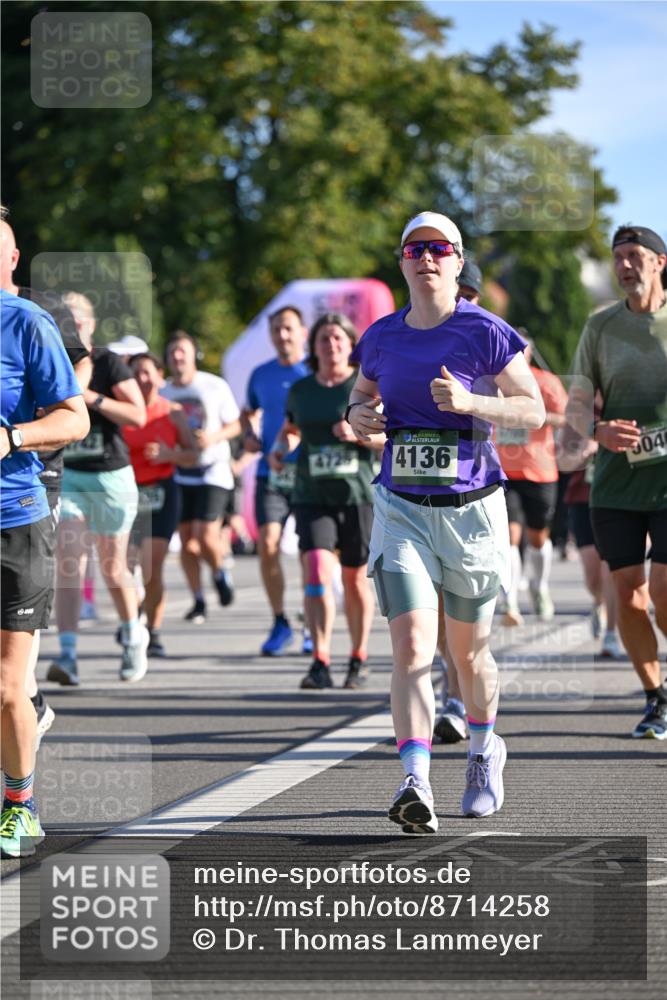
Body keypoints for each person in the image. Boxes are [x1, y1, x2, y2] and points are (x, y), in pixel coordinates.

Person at [347, 211, 544, 833]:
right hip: (401, 508)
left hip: (472, 511)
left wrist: (470, 403)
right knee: (409, 648)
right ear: (402, 261)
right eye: (414, 248)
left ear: (457, 262)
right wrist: (361, 417)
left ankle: (485, 750)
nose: (426, 258)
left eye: (439, 249)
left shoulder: (484, 331)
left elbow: (533, 409)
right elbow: (360, 395)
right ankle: (415, 781)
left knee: (469, 655)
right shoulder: (380, 336)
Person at [567, 223, 667, 739]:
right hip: (615, 484)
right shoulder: (600, 327)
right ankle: (656, 697)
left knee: (666, 592)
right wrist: (596, 430)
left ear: (659, 262)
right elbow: (577, 404)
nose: (624, 265)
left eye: (634, 255)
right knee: (628, 594)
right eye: (617, 257)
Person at [1, 289, 89, 857]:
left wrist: (11, 436)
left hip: (16, 514)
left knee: (7, 684)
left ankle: (19, 806)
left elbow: (74, 416)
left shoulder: (29, 320)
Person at [0, 212, 92, 743]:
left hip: (34, 476)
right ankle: (25, 696)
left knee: (9, 674)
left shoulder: (38, 313)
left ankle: (22, 698)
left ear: (14, 258)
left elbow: (76, 385)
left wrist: (19, 434)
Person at [270, 313, 379, 690]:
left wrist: (358, 435)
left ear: (350, 346)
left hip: (356, 495)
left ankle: (358, 656)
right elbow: (291, 431)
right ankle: (319, 659)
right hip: (311, 494)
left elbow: (391, 437)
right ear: (312, 347)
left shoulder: (363, 387)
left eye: (337, 338)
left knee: (354, 580)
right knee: (316, 570)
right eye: (323, 339)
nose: (331, 345)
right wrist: (280, 448)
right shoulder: (301, 390)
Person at [48, 292, 149, 686]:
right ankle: (68, 656)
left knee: (112, 566)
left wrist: (90, 398)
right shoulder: (51, 360)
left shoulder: (108, 361)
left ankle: (132, 632)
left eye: (76, 321)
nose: (70, 328)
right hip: (69, 473)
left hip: (110, 475)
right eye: (63, 322)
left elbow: (137, 414)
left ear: (89, 325)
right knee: (69, 562)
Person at [434, 253, 485, 743]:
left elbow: (521, 411)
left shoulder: (492, 338)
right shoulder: (415, 334)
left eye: (468, 297)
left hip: (478, 493)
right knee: (427, 612)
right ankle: (449, 694)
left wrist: (472, 405)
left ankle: (461, 696)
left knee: (463, 620)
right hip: (417, 494)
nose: (460, 304)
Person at [241, 306, 310, 655]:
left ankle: (312, 621)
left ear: (302, 331)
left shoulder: (314, 370)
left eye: (288, 329)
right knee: (267, 544)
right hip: (273, 473)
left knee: (312, 552)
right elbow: (247, 411)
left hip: (312, 473)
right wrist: (249, 436)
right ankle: (281, 620)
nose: (282, 336)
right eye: (276, 330)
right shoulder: (261, 374)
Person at [161, 331, 241, 623]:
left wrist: (213, 436)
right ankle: (198, 599)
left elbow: (235, 425)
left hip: (213, 470)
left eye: (182, 351)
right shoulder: (163, 392)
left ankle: (220, 572)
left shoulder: (214, 385)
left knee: (206, 536)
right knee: (186, 541)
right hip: (180, 473)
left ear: (194, 354)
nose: (178, 356)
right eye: (172, 352)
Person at [123, 352, 197, 657]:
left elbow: (193, 454)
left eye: (147, 372)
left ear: (159, 374)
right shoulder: (121, 412)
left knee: (152, 565)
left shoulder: (173, 412)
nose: (142, 379)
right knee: (125, 567)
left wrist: (170, 455)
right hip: (127, 492)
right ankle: (131, 616)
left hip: (161, 493)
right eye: (136, 373)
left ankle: (152, 631)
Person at [495, 338, 568, 624]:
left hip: (539, 470)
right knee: (508, 537)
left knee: (538, 538)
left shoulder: (545, 382)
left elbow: (565, 418)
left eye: (518, 348)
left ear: (529, 352)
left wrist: (532, 415)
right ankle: (509, 602)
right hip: (503, 471)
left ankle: (539, 587)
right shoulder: (492, 381)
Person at [557, 418, 622, 658]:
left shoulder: (630, 409)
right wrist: (585, 452)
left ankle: (611, 634)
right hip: (582, 500)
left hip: (619, 501)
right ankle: (599, 603)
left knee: (611, 570)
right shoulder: (576, 416)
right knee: (593, 578)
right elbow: (562, 463)